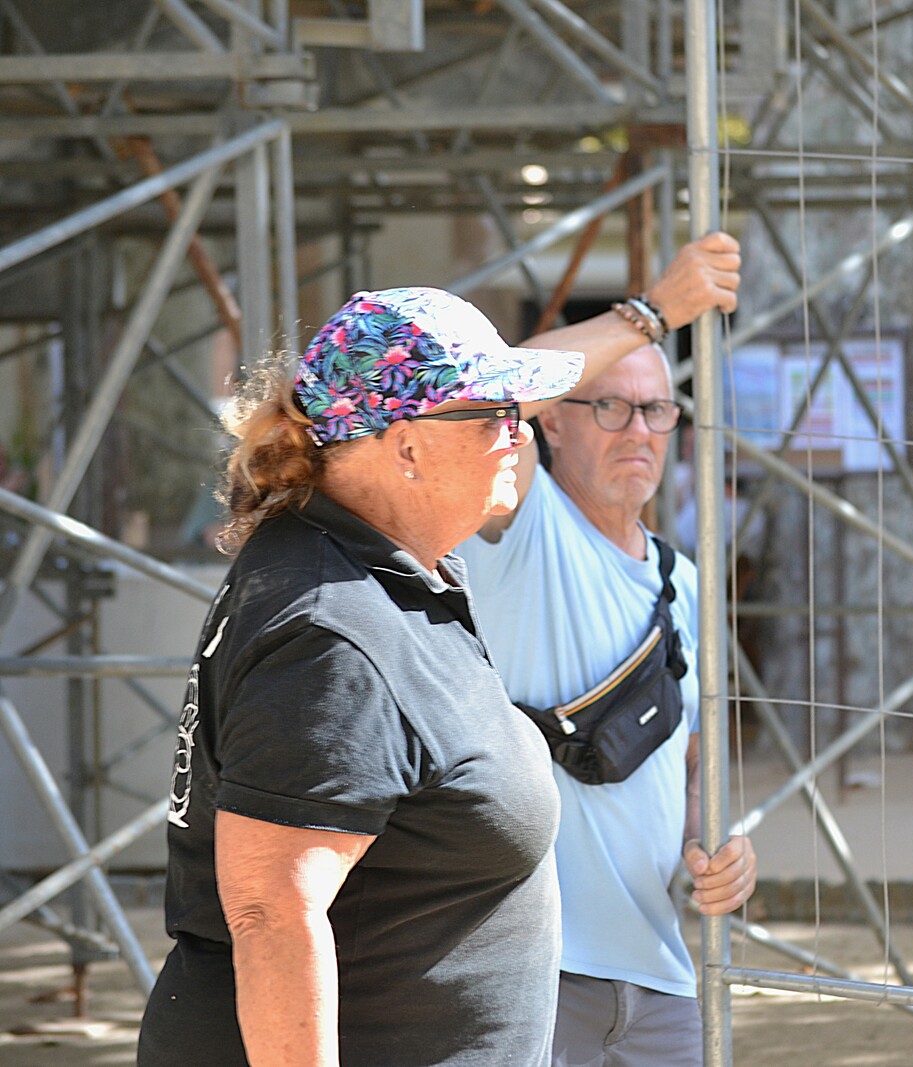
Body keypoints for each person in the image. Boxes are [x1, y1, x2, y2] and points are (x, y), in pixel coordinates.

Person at [138, 232, 741, 1067]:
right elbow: (274, 914)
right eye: (493, 414)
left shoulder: (381, 573)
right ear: (406, 445)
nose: (518, 435)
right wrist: (654, 311)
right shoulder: (329, 627)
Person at [457, 340, 756, 1065]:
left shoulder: (682, 580)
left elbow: (691, 762)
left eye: (657, 409)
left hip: (661, 973)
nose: (638, 431)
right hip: (533, 968)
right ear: (551, 421)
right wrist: (643, 318)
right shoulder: (518, 524)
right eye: (611, 406)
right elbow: (480, 394)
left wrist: (720, 848)